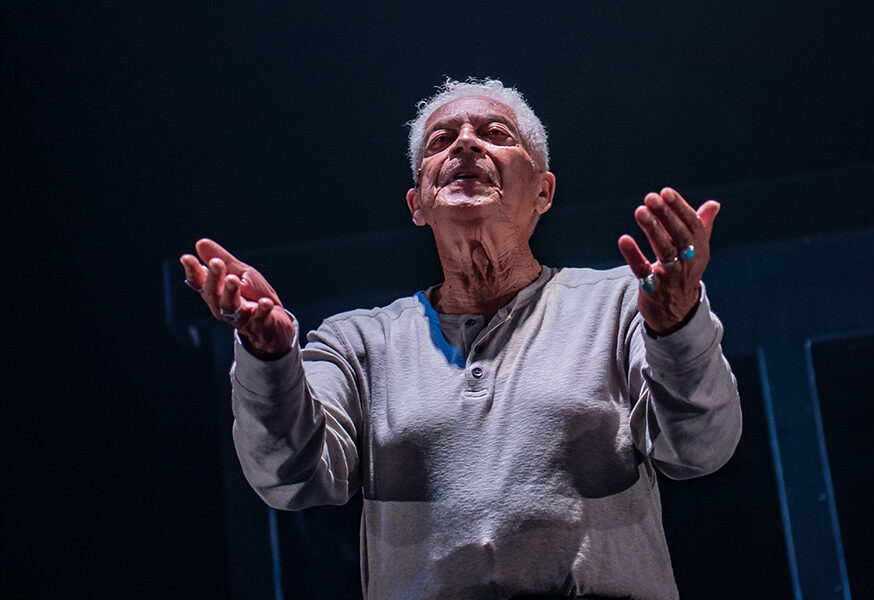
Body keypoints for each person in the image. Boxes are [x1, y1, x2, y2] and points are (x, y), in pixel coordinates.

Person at [180, 78, 741, 599]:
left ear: (543, 191)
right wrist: (270, 357)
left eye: (495, 135)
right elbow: (289, 478)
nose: (466, 144)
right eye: (440, 140)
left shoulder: (618, 305)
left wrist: (675, 325)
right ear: (417, 204)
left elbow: (700, 449)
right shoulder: (358, 344)